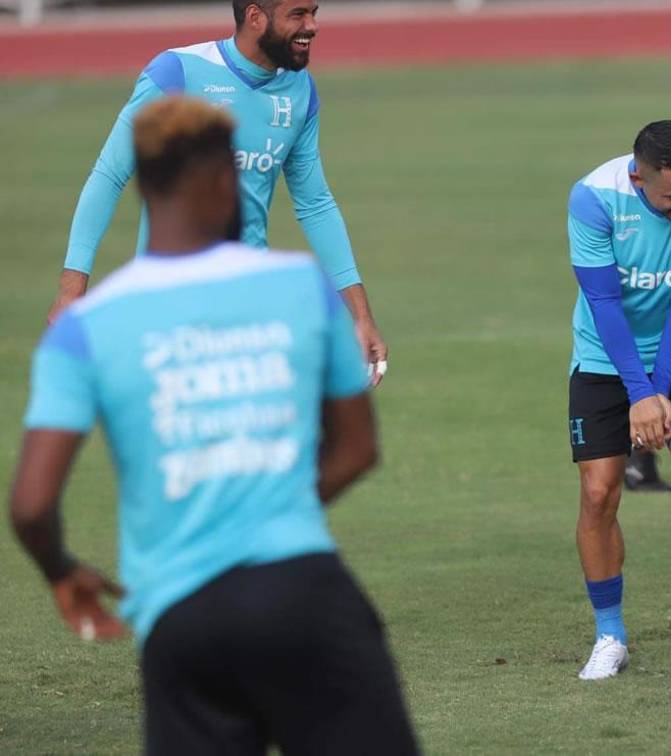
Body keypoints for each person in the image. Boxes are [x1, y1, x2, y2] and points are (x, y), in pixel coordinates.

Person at [10, 96, 417, 755]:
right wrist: (270, 510)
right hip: (306, 595)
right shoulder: (300, 284)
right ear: (231, 180)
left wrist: (61, 570)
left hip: (180, 616)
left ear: (143, 185)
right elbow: (358, 448)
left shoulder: (86, 327)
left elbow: (30, 504)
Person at [47, 0, 388, 385]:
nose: (313, 26)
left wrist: (360, 317)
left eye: (314, 12)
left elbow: (315, 203)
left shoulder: (299, 91)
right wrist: (71, 290)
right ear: (256, 17)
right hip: (169, 301)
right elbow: (110, 175)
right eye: (298, 14)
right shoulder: (178, 72)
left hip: (249, 305)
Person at [567, 121, 671, 680]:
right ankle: (610, 634)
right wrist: (638, 392)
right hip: (603, 354)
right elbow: (602, 300)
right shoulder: (594, 198)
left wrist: (659, 389)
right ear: (640, 177)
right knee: (598, 494)